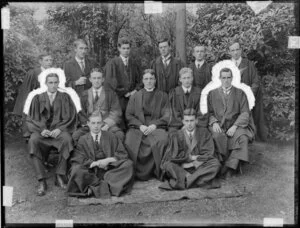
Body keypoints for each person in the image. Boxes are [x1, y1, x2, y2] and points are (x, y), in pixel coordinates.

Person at [24, 70, 79, 196]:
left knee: (67, 140)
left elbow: (71, 117)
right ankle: (41, 180)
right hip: (41, 131)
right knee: (33, 141)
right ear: (46, 83)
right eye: (50, 83)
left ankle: (59, 175)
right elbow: (31, 119)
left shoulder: (65, 97)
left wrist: (60, 129)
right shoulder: (37, 98)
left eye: (55, 82)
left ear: (59, 83)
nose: (53, 85)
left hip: (58, 132)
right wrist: (41, 130)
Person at [67, 112, 134, 198]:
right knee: (76, 170)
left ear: (102, 123)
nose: (96, 126)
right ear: (88, 124)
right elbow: (78, 158)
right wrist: (96, 163)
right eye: (93, 123)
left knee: (128, 164)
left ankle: (94, 187)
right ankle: (109, 186)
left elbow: (123, 154)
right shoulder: (82, 139)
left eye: (98, 123)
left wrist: (107, 160)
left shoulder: (111, 136)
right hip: (91, 171)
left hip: (109, 170)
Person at [206, 66, 255, 179]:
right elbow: (209, 112)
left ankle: (230, 167)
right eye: (224, 78)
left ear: (232, 78)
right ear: (220, 78)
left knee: (242, 137)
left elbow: (245, 113)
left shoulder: (240, 93)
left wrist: (235, 126)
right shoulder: (212, 93)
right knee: (218, 136)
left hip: (236, 125)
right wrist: (214, 122)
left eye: (228, 77)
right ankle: (221, 163)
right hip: (219, 124)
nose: (226, 80)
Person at [124, 69, 171, 181]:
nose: (149, 81)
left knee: (163, 140)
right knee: (130, 141)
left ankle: (157, 171)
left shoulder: (163, 95)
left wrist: (154, 125)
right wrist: (140, 126)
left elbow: (167, 114)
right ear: (142, 80)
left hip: (156, 126)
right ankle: (134, 173)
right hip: (138, 126)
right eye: (146, 79)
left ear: (155, 80)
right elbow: (129, 115)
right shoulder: (135, 96)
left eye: (151, 79)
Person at [159, 109, 221, 190]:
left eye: (191, 120)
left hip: (199, 166)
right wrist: (190, 158)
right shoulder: (176, 135)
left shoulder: (204, 133)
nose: (189, 124)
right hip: (182, 167)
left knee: (215, 164)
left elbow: (209, 153)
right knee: (168, 165)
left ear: (196, 121)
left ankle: (185, 181)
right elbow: (172, 156)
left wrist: (195, 163)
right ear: (183, 121)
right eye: (187, 121)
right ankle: (197, 180)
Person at [72, 68, 124, 144]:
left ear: (103, 79)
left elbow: (116, 112)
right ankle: (87, 155)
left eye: (99, 78)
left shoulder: (111, 94)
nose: (96, 81)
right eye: (94, 78)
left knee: (119, 135)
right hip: (90, 125)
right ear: (90, 79)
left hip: (106, 125)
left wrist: (106, 125)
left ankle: (110, 155)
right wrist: (90, 125)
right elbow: (81, 113)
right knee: (76, 136)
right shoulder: (83, 94)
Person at [229, 41, 267, 141]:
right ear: (229, 52)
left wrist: (248, 95)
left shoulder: (249, 64)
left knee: (246, 113)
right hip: (231, 98)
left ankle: (249, 136)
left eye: (237, 49)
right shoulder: (227, 66)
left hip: (246, 97)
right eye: (233, 50)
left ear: (241, 50)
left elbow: (255, 82)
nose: (235, 52)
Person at [103, 38, 142, 129]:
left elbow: (140, 80)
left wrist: (134, 91)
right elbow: (109, 82)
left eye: (128, 48)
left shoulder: (134, 63)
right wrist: (124, 92)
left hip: (133, 98)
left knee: (132, 122)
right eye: (123, 48)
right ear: (119, 48)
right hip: (118, 98)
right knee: (120, 123)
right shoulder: (112, 63)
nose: (126, 51)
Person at [13, 52, 53, 138]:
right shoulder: (33, 73)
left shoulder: (53, 73)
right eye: (46, 60)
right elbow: (26, 90)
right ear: (40, 61)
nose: (49, 62)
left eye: (50, 60)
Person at [169, 67, 205, 132]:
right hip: (178, 125)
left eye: (188, 78)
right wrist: (185, 124)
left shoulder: (200, 93)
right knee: (172, 133)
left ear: (192, 78)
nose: (186, 80)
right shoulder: (174, 93)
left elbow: (201, 112)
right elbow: (174, 112)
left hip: (195, 124)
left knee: (202, 133)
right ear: (180, 79)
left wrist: (191, 124)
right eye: (184, 78)